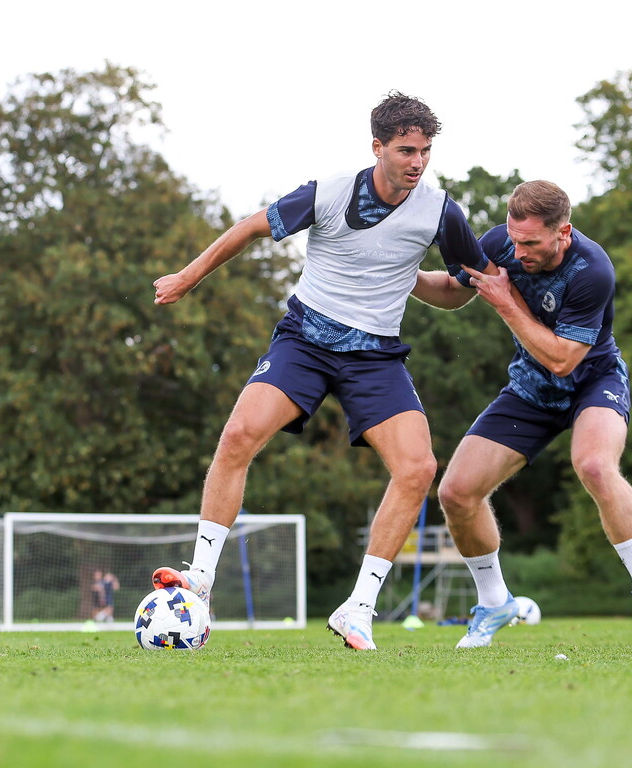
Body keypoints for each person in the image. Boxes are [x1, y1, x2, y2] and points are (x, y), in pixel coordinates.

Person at [150, 91, 494, 651]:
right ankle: (201, 581)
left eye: (425, 151)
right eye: (406, 150)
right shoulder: (330, 192)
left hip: (375, 356)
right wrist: (188, 277)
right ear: (377, 147)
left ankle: (358, 608)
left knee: (418, 468)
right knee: (238, 435)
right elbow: (250, 227)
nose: (418, 162)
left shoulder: (440, 212)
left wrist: (424, 280)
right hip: (305, 341)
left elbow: (461, 290)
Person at [411, 180, 632, 646]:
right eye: (514, 239)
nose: (518, 252)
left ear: (562, 232)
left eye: (530, 243)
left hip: (592, 380)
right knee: (456, 493)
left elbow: (562, 359)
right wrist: (401, 275)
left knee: (595, 465)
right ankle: (494, 602)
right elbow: (453, 291)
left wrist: (507, 304)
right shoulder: (502, 242)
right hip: (531, 390)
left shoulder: (593, 270)